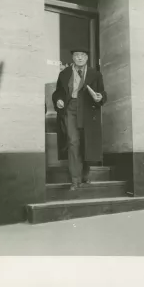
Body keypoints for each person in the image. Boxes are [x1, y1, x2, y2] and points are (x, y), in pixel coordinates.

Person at [52, 49, 107, 191]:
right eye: (77, 55)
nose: (80, 58)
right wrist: (58, 100)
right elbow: (58, 91)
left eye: (82, 55)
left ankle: (84, 175)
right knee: (73, 142)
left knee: (85, 142)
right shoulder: (64, 74)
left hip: (88, 110)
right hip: (70, 109)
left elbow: (102, 92)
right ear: (73, 58)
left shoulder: (95, 74)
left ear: (87, 58)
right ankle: (75, 180)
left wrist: (100, 97)